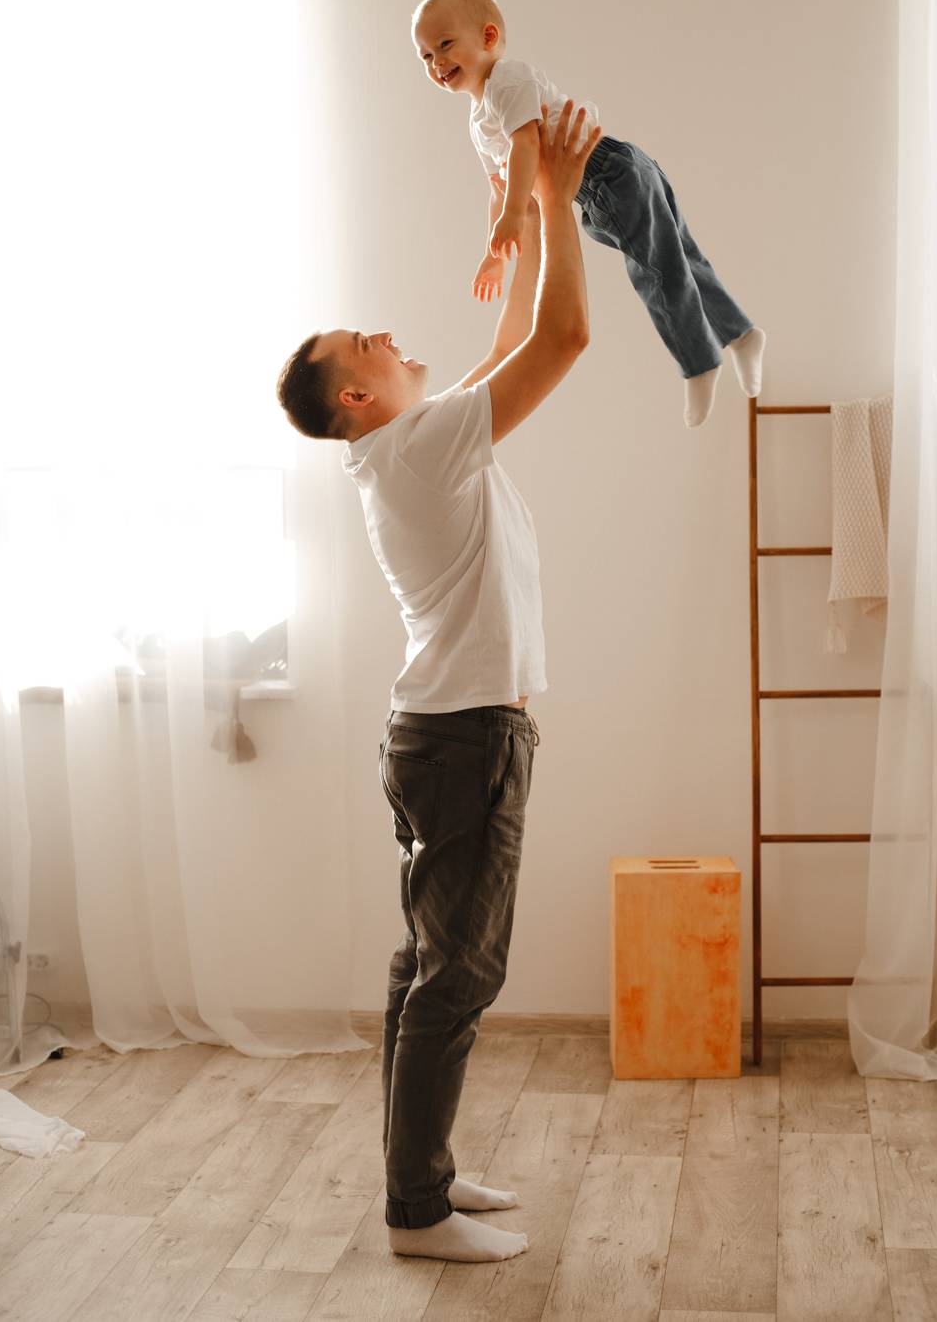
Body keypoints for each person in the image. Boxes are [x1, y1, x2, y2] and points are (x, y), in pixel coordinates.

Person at [275, 102, 601, 1264]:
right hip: (463, 741)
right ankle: (416, 1211)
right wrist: (556, 196)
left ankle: (426, 1176)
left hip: (444, 735)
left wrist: (518, 224)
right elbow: (563, 341)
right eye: (361, 344)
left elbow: (509, 350)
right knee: (457, 977)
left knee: (429, 970)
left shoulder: (411, 449)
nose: (383, 335)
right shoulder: (418, 449)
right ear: (355, 399)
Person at [412, 0, 766, 428]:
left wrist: (513, 214)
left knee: (657, 272)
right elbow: (499, 188)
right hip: (613, 175)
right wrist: (494, 253)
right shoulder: (478, 119)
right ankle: (741, 334)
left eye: (444, 45)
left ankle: (699, 363)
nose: (437, 62)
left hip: (607, 176)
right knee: (681, 258)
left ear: (488, 37)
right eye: (426, 56)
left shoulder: (508, 80)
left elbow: (526, 146)